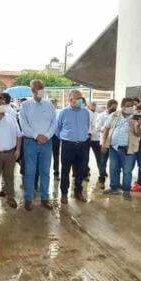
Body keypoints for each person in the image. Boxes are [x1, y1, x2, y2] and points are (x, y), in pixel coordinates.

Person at [19, 79, 57, 210]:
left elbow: (54, 123)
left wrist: (46, 136)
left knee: (45, 172)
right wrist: (37, 136)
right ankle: (28, 199)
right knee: (30, 172)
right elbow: (24, 125)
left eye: (42, 87)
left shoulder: (49, 105)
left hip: (47, 143)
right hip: (30, 143)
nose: (41, 90)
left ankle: (45, 198)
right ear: (32, 90)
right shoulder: (25, 106)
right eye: (38, 88)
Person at [101, 98, 141, 200]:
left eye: (131, 106)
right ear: (123, 107)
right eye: (128, 106)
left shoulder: (136, 116)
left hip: (128, 149)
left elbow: (138, 133)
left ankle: (126, 191)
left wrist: (138, 124)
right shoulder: (115, 115)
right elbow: (106, 128)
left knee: (127, 171)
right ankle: (114, 188)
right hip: (114, 148)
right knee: (113, 169)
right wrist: (104, 144)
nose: (130, 108)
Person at [56, 90, 90, 204]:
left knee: (81, 169)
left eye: (81, 98)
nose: (81, 100)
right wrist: (66, 138)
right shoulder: (63, 112)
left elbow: (87, 126)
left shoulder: (85, 112)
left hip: (83, 145)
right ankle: (64, 194)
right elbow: (57, 129)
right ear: (71, 100)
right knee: (65, 170)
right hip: (68, 145)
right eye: (78, 98)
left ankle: (78, 192)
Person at [95, 99, 118, 189]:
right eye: (113, 108)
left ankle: (115, 183)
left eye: (116, 108)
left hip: (114, 142)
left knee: (114, 163)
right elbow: (97, 128)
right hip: (104, 141)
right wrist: (106, 129)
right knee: (103, 161)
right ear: (108, 107)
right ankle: (101, 180)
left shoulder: (117, 115)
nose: (114, 110)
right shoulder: (101, 116)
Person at [50, 99, 61, 180]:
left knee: (56, 155)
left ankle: (56, 170)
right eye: (52, 104)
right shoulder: (46, 113)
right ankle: (45, 170)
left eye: (55, 104)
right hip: (47, 137)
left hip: (56, 136)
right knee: (47, 155)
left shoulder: (59, 113)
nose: (54, 105)